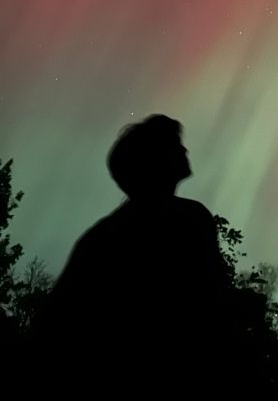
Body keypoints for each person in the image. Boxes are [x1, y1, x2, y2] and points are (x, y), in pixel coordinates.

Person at [36, 115, 235, 387]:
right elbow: (217, 306)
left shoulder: (99, 237)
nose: (184, 149)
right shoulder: (190, 219)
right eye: (173, 144)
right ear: (155, 160)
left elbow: (51, 324)